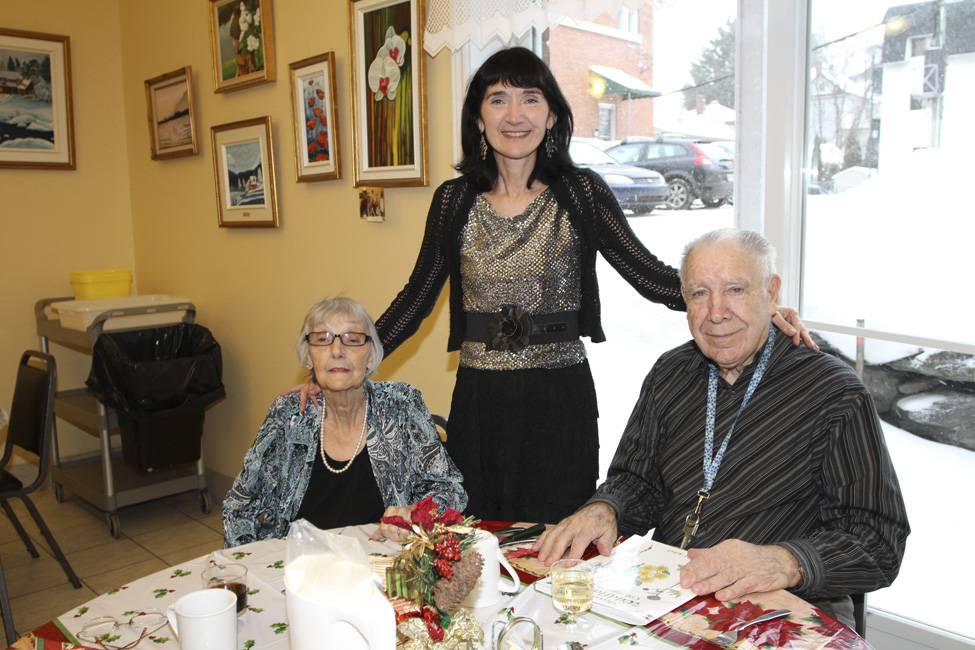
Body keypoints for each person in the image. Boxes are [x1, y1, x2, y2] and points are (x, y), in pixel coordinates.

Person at [296, 48, 810, 524]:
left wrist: (747, 308)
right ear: (478, 118)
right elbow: (417, 296)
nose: (514, 115)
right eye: (498, 100)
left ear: (552, 115)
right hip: (481, 401)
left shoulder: (582, 193)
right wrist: (339, 365)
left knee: (559, 543)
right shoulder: (453, 201)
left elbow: (649, 275)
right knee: (475, 538)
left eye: (529, 99)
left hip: (559, 403)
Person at [533, 228, 909, 628]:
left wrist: (784, 561)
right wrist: (606, 508)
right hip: (669, 596)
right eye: (699, 293)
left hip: (780, 607)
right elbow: (636, 481)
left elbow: (878, 540)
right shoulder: (671, 372)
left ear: (771, 292)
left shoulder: (833, 392)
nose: (716, 312)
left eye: (735, 290)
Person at [224, 297, 466, 548]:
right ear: (309, 357)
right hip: (302, 567)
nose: (337, 351)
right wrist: (254, 566)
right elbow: (240, 505)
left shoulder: (401, 405)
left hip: (382, 566)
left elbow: (449, 491)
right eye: (322, 339)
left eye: (352, 339)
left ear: (370, 357)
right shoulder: (289, 415)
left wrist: (415, 513)